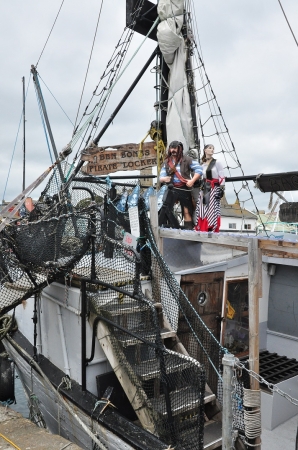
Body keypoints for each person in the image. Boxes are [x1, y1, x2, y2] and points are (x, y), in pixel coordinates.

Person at [159, 141, 203, 229]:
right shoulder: (167, 162)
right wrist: (164, 179)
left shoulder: (187, 160)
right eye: (172, 148)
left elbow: (199, 170)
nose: (173, 150)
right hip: (172, 188)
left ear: (180, 149)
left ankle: (188, 231)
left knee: (187, 211)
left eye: (175, 148)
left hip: (184, 188)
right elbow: (161, 177)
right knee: (165, 209)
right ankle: (167, 229)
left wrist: (192, 180)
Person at [194, 144, 225, 232]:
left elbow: (221, 176)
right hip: (204, 188)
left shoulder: (217, 162)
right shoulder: (202, 164)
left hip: (214, 188)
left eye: (213, 148)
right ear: (205, 150)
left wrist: (221, 189)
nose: (212, 150)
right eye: (210, 148)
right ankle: (202, 227)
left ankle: (212, 226)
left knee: (213, 208)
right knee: (202, 208)